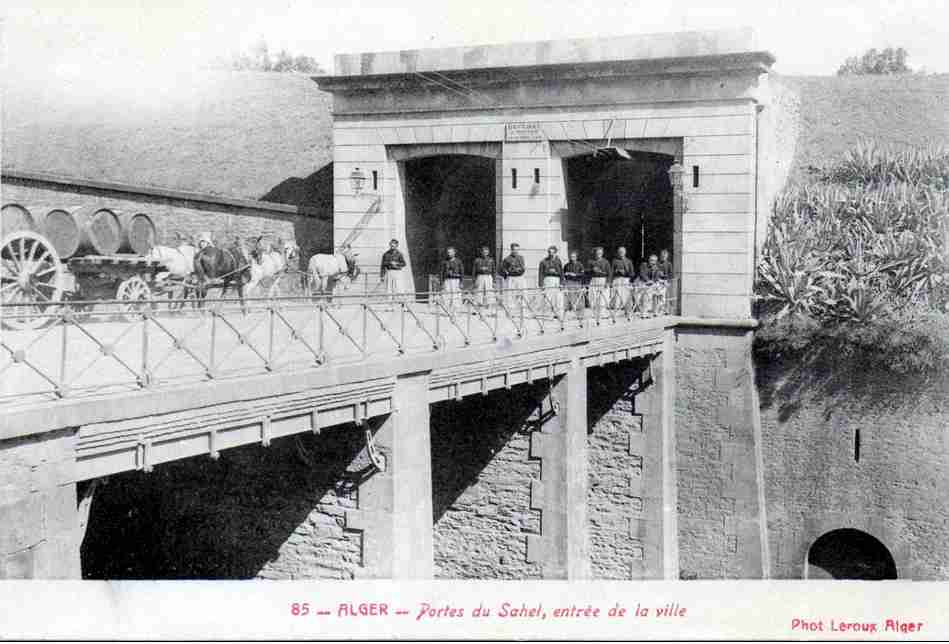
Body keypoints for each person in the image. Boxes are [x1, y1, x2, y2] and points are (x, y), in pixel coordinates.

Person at [537, 245, 564, 315]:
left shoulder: (558, 261)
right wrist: (541, 284)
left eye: (553, 252)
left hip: (556, 280)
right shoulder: (543, 261)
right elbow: (541, 273)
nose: (551, 254)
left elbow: (561, 273)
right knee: (548, 297)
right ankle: (548, 313)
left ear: (555, 253)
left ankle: (557, 314)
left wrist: (562, 283)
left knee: (557, 297)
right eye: (549, 252)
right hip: (548, 280)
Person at [500, 242, 526, 309]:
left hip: (520, 278)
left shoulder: (521, 258)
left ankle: (521, 307)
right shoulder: (507, 259)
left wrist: (520, 270)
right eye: (514, 250)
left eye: (517, 250)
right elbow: (502, 269)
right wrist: (507, 273)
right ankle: (511, 307)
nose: (516, 251)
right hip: (511, 278)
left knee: (521, 292)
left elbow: (523, 267)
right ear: (511, 250)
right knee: (511, 293)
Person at [586, 246, 611, 314]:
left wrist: (607, 282)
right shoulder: (590, 261)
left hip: (603, 280)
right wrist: (592, 270)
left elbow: (609, 273)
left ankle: (602, 313)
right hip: (594, 280)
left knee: (603, 297)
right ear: (595, 253)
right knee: (593, 296)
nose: (598, 254)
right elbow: (586, 271)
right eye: (597, 253)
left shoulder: (606, 262)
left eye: (600, 253)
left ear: (602, 253)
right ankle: (594, 313)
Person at [610, 246, 635, 310]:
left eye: (622, 252)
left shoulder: (629, 261)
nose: (621, 253)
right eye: (620, 252)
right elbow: (611, 272)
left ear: (625, 252)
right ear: (618, 252)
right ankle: (616, 307)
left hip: (625, 280)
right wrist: (616, 272)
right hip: (617, 280)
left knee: (625, 294)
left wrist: (626, 272)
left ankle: (625, 307)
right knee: (616, 294)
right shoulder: (614, 261)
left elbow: (632, 273)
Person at [441, 246, 464, 312]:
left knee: (456, 295)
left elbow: (462, 272)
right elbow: (441, 272)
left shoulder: (458, 261)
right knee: (447, 295)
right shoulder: (445, 262)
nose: (449, 254)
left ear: (454, 253)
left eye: (451, 252)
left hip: (456, 281)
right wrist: (442, 283)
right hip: (447, 281)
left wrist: (461, 282)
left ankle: (456, 311)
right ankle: (447, 311)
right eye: (448, 252)